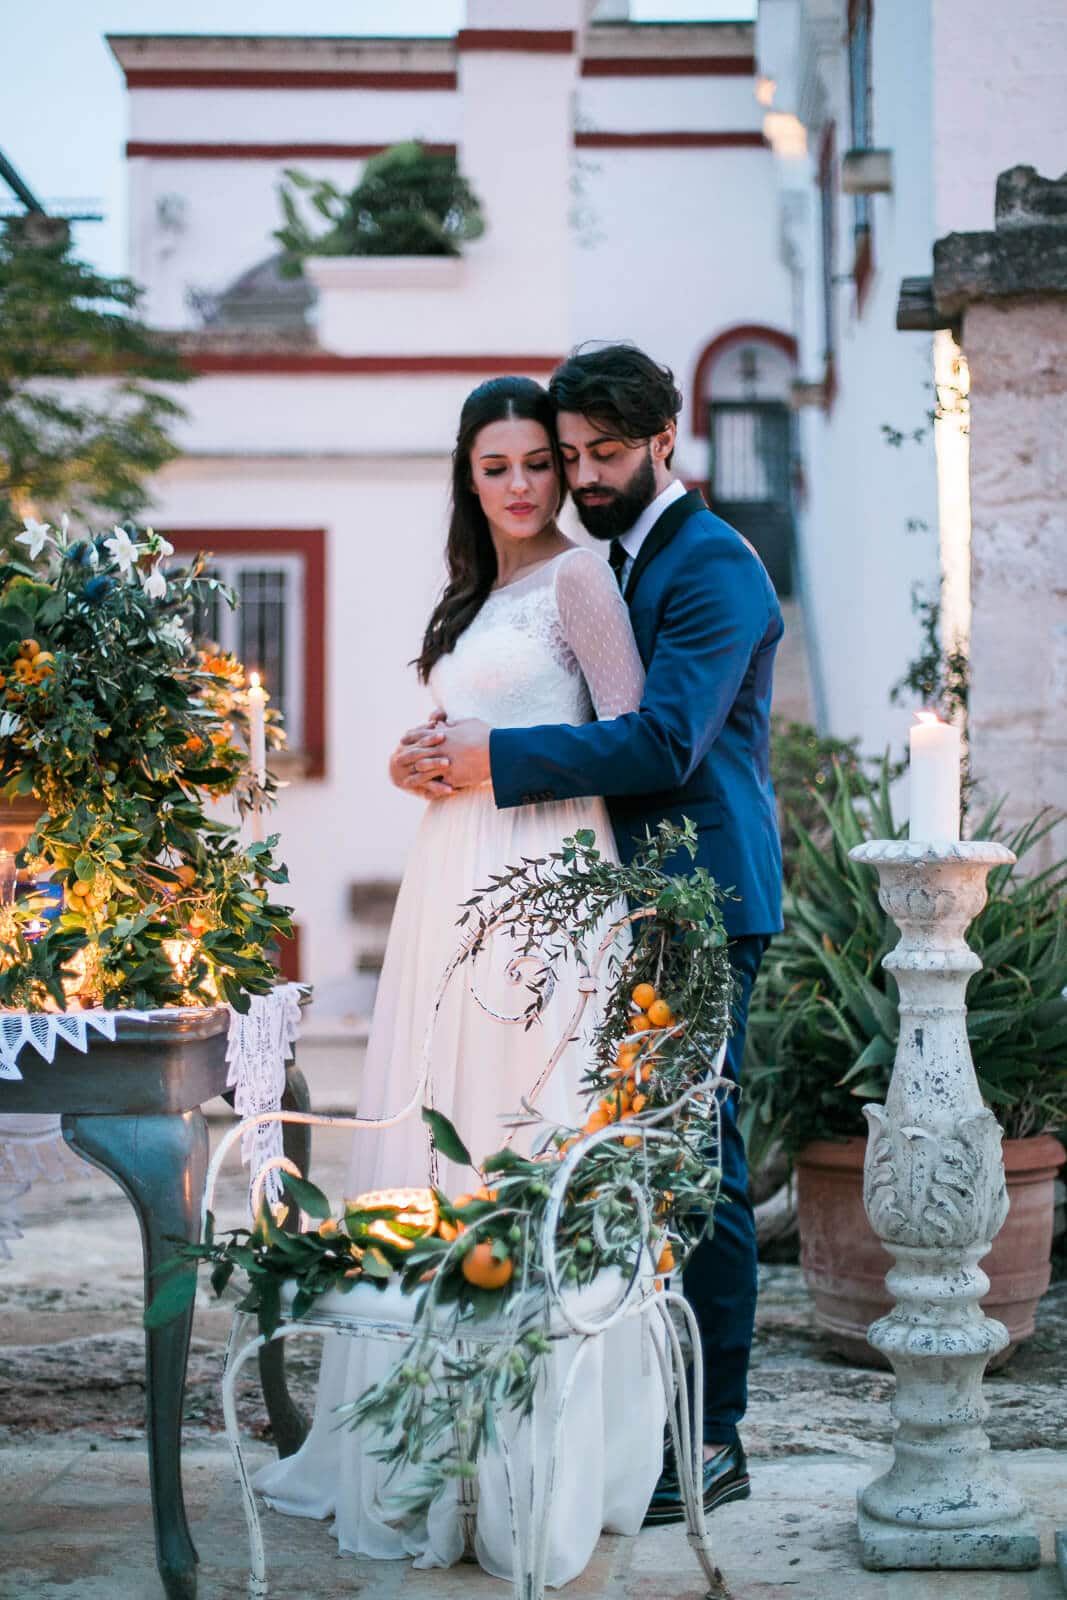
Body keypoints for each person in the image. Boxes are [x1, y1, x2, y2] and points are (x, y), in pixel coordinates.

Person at [254, 375, 666, 1584]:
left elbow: (634, 736)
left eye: (538, 461)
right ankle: (422, 1447)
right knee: (438, 1141)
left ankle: (535, 1463)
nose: (524, 484)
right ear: (468, 477)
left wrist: (489, 767)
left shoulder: (581, 580)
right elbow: (458, 743)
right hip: (452, 879)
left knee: (518, 1133)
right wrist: (409, 762)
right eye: (497, 467)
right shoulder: (477, 595)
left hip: (542, 882)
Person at [394, 342, 784, 1526]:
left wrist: (494, 760)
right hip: (623, 898)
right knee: (630, 1159)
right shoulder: (616, 557)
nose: (581, 475)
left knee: (695, 1165)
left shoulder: (712, 567)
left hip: (702, 898)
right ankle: (608, 1421)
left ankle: (712, 1437)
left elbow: (662, 744)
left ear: (666, 436)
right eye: (570, 457)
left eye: (601, 454)